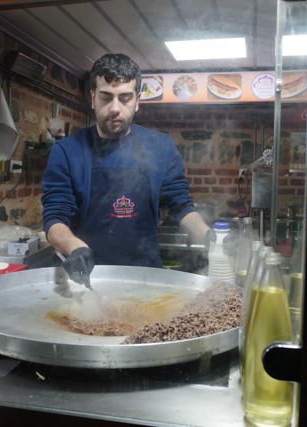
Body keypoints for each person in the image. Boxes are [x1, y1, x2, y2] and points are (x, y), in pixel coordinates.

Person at [41, 53, 213, 284]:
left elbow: (181, 206)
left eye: (125, 98)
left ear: (137, 100)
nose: (115, 108)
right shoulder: (66, 151)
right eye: (105, 97)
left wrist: (210, 237)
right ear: (92, 98)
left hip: (147, 279)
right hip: (88, 279)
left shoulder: (160, 147)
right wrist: (75, 247)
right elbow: (54, 219)